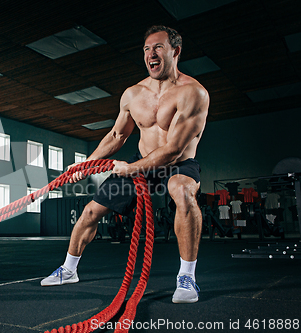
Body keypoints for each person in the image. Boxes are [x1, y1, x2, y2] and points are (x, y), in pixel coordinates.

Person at [41, 25, 209, 304]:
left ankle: (187, 277)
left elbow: (173, 150)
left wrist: (131, 169)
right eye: (146, 48)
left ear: (175, 51)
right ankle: (69, 269)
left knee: (183, 192)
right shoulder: (133, 94)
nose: (150, 54)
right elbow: (118, 135)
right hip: (140, 163)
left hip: (178, 164)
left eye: (158, 47)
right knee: (90, 211)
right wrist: (85, 165)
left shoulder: (193, 93)